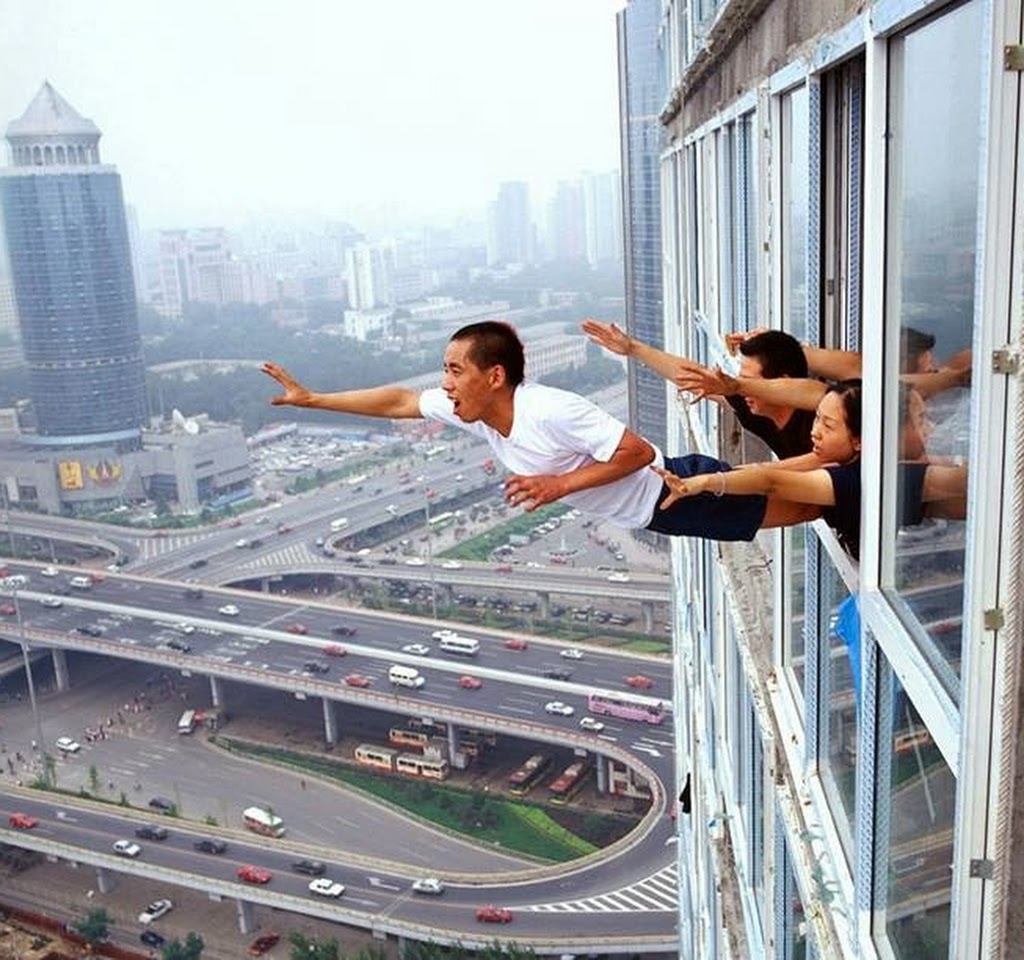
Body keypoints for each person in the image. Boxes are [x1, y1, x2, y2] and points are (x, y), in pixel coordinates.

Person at [262, 321, 817, 541]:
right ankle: (845, 465)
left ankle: (857, 468)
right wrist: (314, 400)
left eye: (455, 370)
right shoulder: (474, 411)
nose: (445, 383)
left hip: (674, 491)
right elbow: (400, 401)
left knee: (809, 507)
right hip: (660, 511)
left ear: (494, 376)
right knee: (804, 497)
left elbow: (636, 452)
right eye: (445, 371)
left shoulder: (548, 410)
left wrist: (559, 486)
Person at [653, 381, 968, 560]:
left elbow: (772, 480)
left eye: (827, 425)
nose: (814, 432)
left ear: (861, 440)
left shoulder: (866, 477)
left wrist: (707, 482)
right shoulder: (856, 471)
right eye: (817, 418)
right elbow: (772, 474)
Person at [582, 319, 818, 458]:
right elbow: (693, 377)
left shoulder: (820, 419)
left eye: (748, 381)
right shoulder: (757, 410)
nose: (741, 387)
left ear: (784, 382)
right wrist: (632, 348)